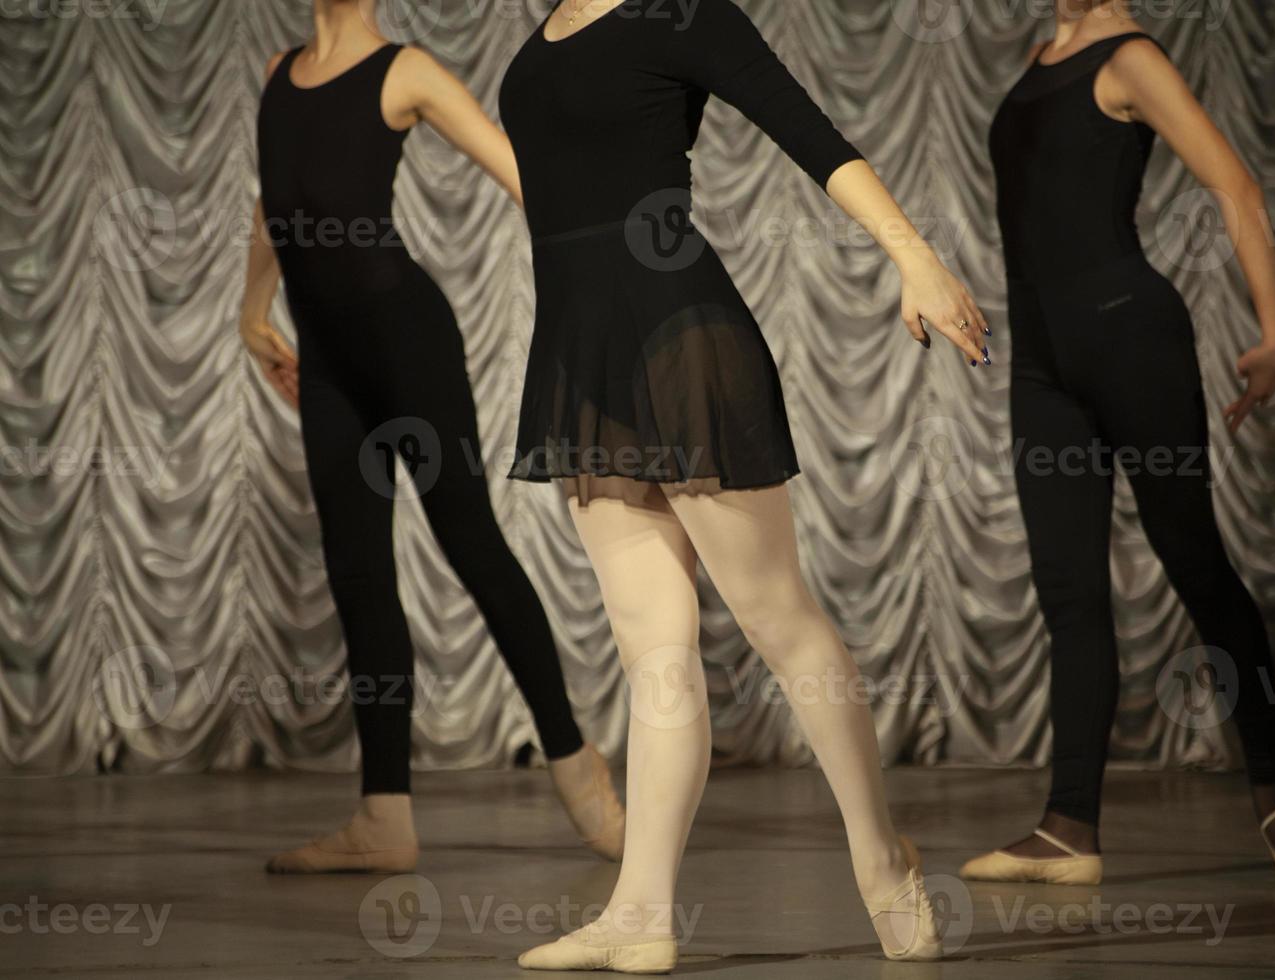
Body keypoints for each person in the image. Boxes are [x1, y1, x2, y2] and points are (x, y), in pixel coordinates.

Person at [503, 0, 992, 972]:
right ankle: (641, 910)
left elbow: (809, 130)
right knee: (652, 647)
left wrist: (914, 253)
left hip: (684, 337)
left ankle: (882, 858)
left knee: (778, 614)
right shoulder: (542, 31)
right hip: (583, 355)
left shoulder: (678, 14)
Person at [240, 0, 624, 873]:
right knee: (358, 571)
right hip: (330, 364)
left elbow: (525, 175)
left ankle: (576, 766)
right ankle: (383, 817)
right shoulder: (276, 74)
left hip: (408, 344)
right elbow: (277, 201)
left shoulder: (404, 72)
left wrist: (614, 263)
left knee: (471, 545)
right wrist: (251, 307)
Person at [961, 0, 1275, 887]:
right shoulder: (1040, 54)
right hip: (1043, 366)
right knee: (1069, 592)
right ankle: (1068, 828)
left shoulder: (1130, 59)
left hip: (1134, 345)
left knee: (1195, 565)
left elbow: (1235, 184)